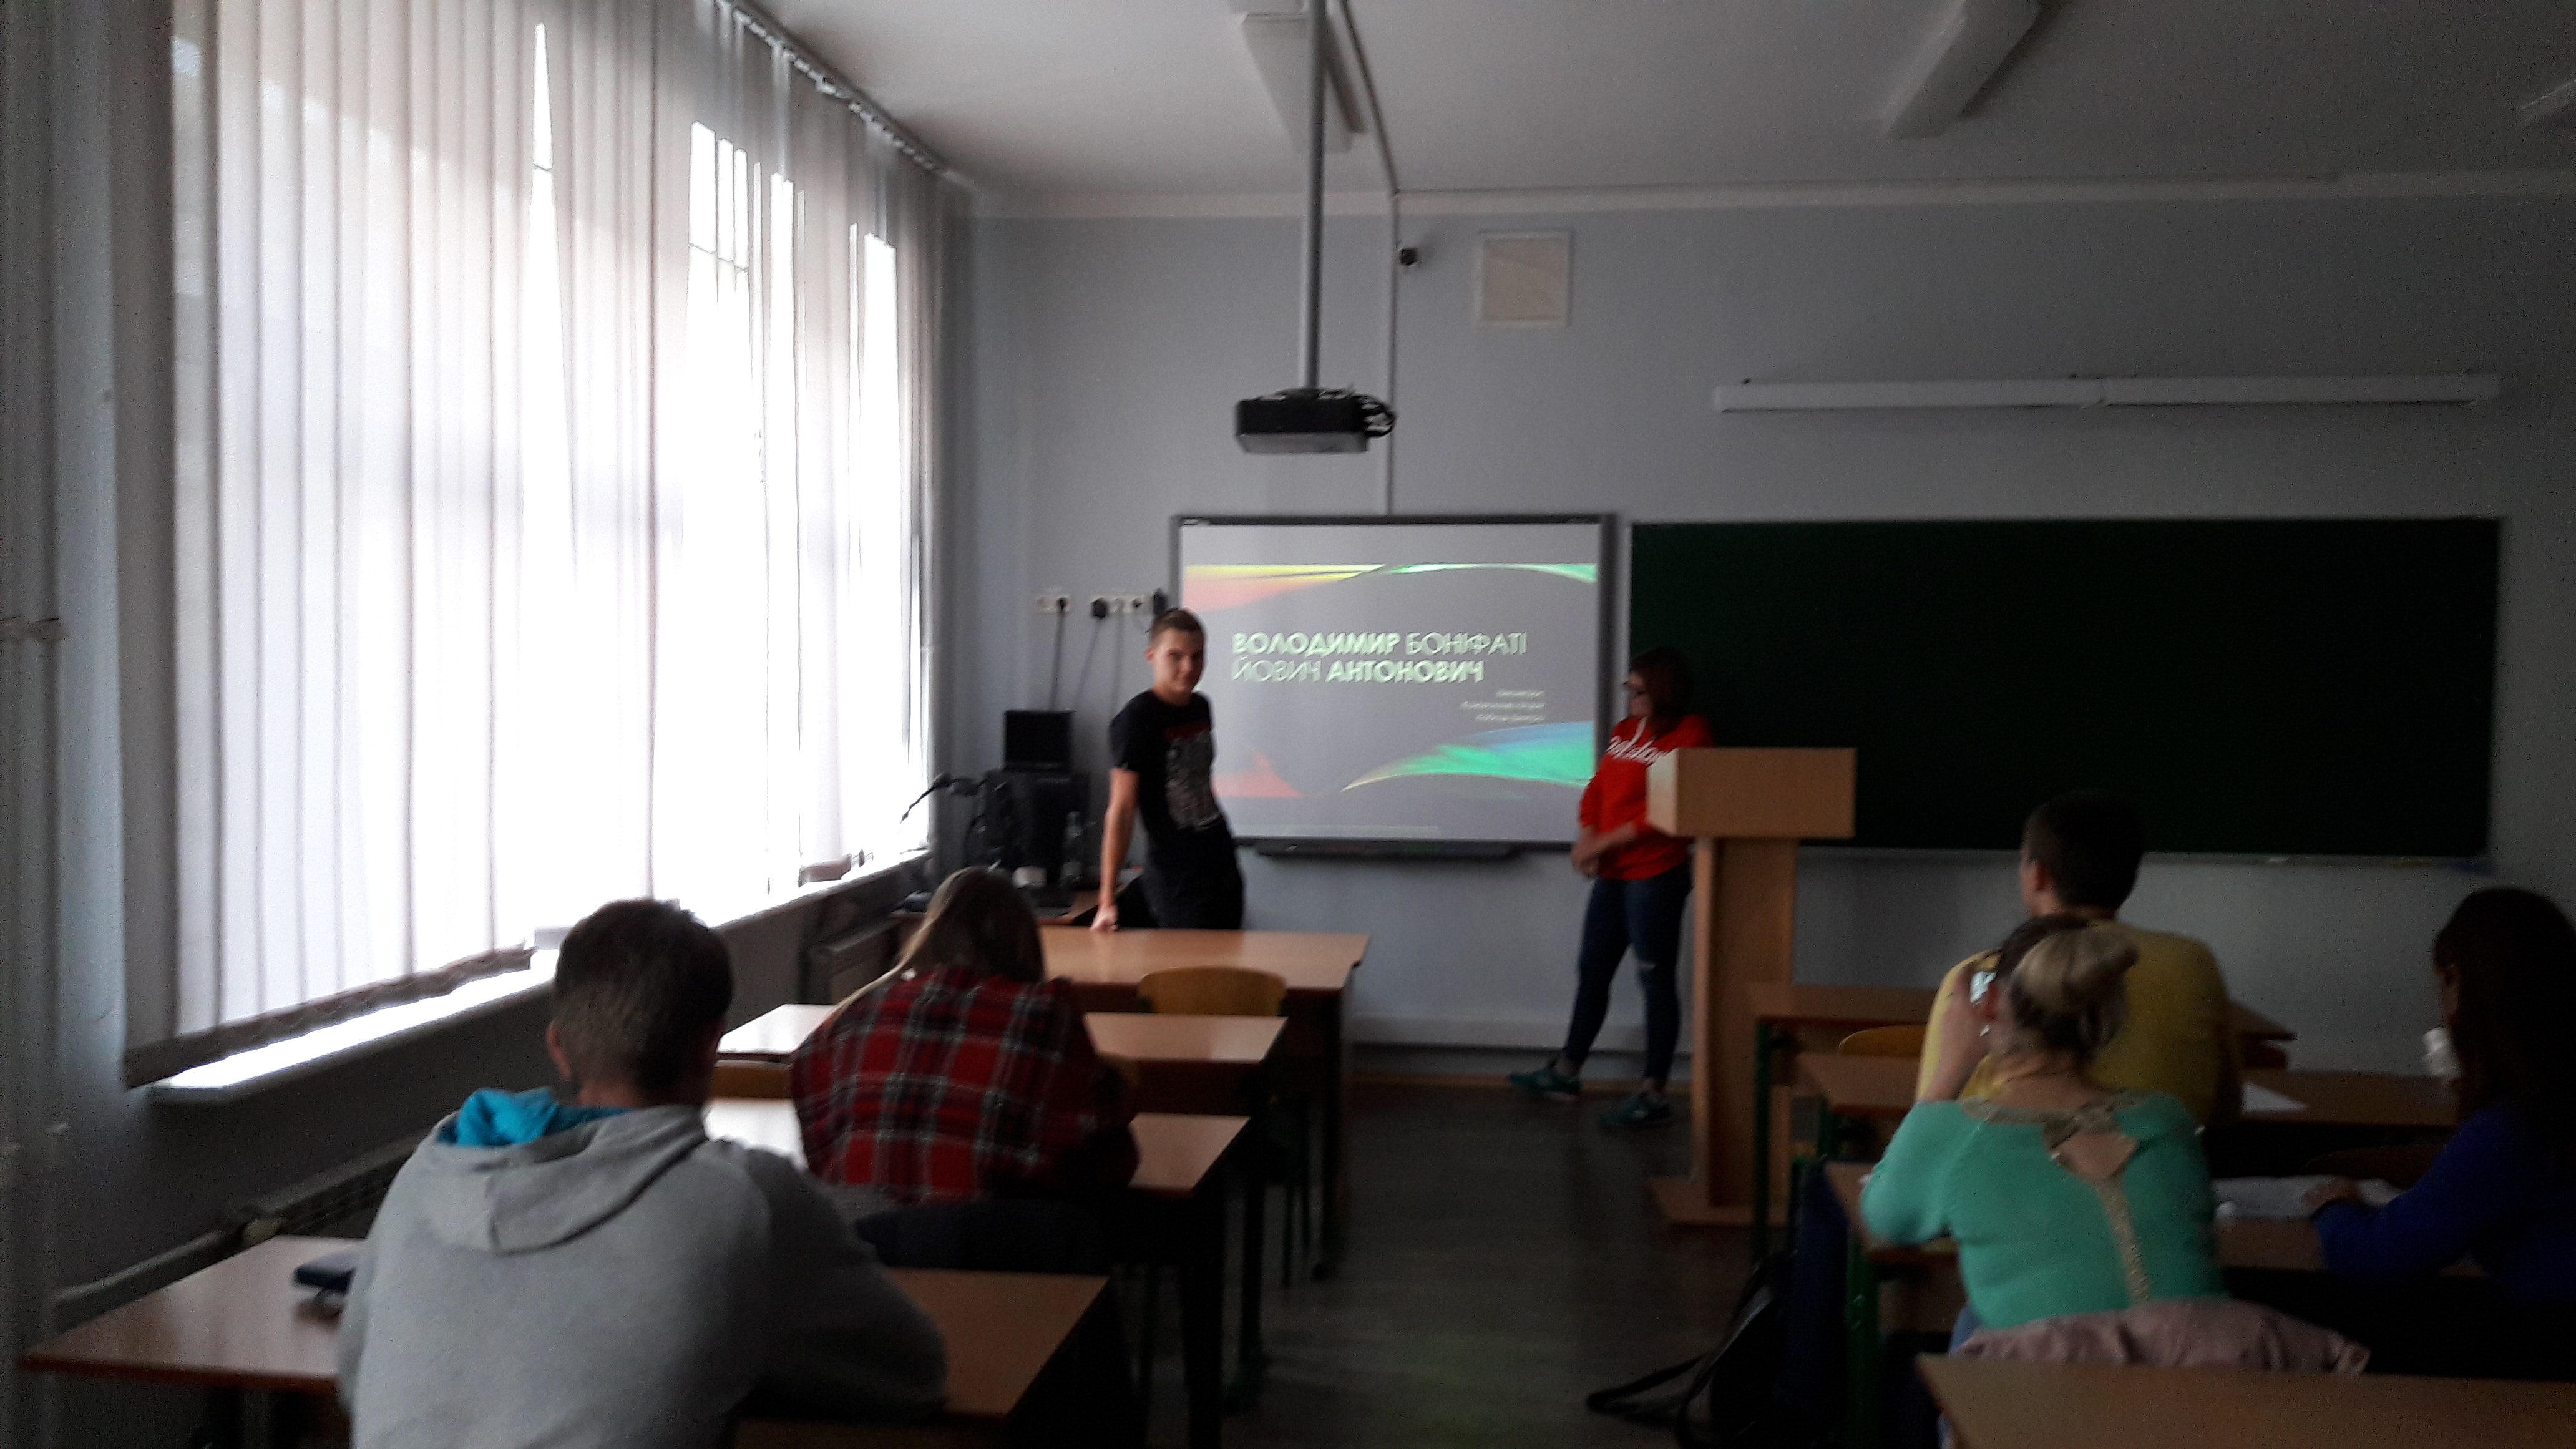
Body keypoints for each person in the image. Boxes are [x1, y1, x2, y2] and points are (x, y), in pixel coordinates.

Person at [341, 899, 945, 1449]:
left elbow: (354, 1379)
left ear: (558, 1047)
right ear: (711, 1044)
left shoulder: (424, 1177)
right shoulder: (747, 1201)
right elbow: (914, 1375)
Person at [1864, 920, 2228, 1332]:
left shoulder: (1959, 1135)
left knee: (1972, 1323)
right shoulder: (2168, 1119)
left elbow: (1887, 1220)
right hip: (2206, 1362)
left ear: (1990, 1004)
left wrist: (1950, 1070)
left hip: (2056, 1368)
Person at [2297, 887, 2576, 1376]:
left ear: (2461, 985)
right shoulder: (2543, 1108)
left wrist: (2333, 1209)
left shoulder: (2514, 1129)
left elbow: (2381, 1257)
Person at [793, 867, 1138, 1206]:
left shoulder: (856, 1015)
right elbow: (1103, 1141)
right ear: (1024, 940)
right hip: (989, 1234)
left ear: (930, 933)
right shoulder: (1043, 1013)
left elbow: (819, 1144)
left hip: (863, 1233)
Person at [1918, 790, 2242, 1126]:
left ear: (2038, 875)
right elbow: (2227, 1108)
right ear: (2130, 876)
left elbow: (1932, 1121)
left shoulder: (1978, 976)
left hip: (2001, 1153)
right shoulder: (2192, 963)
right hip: (2165, 1152)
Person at [1508, 647, 1713, 1129]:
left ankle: (1653, 1093)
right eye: (1629, 688)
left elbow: (1666, 808)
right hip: (1614, 875)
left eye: (1638, 689)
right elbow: (1599, 789)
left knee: (1654, 979)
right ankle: (1567, 1072)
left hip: (1655, 876)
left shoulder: (1692, 736)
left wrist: (1603, 842)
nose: (1630, 696)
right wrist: (1587, 836)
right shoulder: (1625, 732)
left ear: (1662, 690)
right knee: (1593, 971)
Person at [1095, 608, 1243, 932]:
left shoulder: (1201, 707)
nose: (1188, 667)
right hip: (1177, 878)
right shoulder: (1137, 719)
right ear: (1152, 656)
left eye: (1197, 656)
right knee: (1190, 962)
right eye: (1175, 657)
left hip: (1221, 864)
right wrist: (1106, 899)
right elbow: (1121, 810)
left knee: (1228, 958)